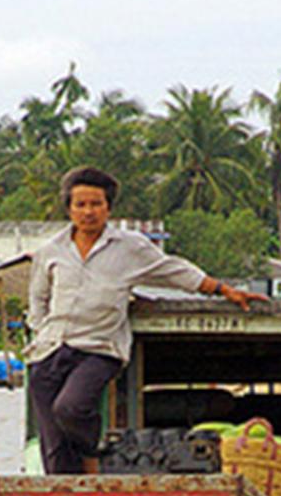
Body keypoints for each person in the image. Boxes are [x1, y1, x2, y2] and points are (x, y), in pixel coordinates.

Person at [24, 166, 267, 475]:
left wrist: (222, 290)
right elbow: (38, 299)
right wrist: (41, 333)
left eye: (96, 204)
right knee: (53, 445)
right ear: (69, 209)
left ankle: (94, 452)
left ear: (108, 208)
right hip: (49, 351)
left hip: (98, 349)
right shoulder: (51, 250)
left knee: (70, 409)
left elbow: (173, 270)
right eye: (80, 204)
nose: (88, 212)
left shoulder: (130, 248)